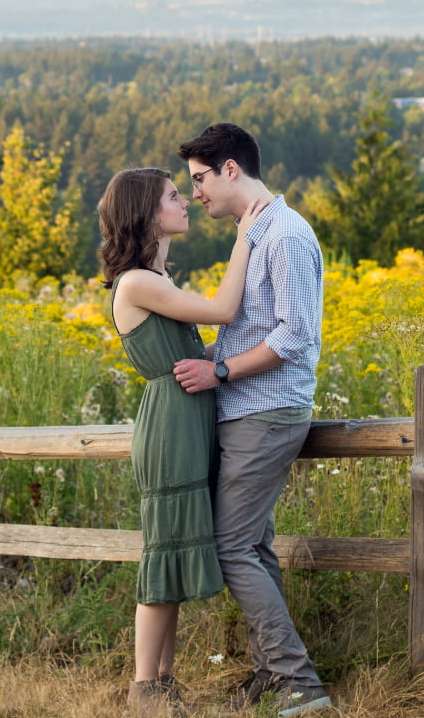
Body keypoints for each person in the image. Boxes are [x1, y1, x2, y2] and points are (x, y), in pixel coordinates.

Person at [173, 123, 332, 716]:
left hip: (266, 410)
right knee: (254, 546)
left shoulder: (285, 235)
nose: (196, 194)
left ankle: (300, 683)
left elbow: (294, 335)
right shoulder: (255, 231)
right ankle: (276, 672)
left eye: (200, 179)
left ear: (231, 169)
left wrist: (219, 371)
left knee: (231, 545)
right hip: (252, 409)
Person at [99, 166, 269, 716]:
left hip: (185, 422)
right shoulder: (138, 283)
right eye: (175, 196)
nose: (186, 202)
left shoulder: (157, 278)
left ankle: (164, 684)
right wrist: (246, 233)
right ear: (148, 212)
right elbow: (223, 310)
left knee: (170, 559)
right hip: (170, 429)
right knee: (161, 556)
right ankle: (144, 690)